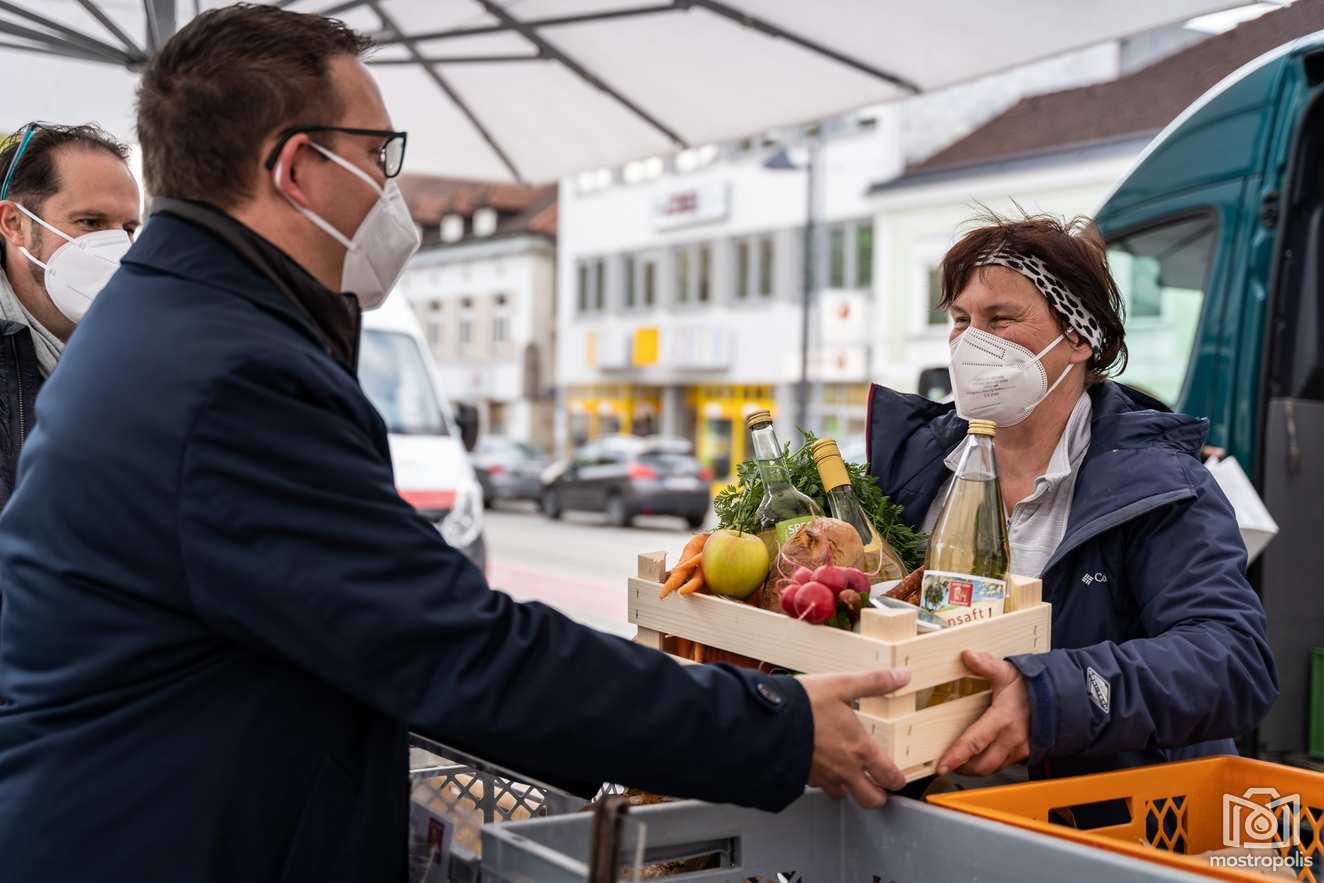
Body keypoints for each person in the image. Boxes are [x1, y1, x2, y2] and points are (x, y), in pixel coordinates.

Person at [0, 8, 909, 881]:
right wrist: (775, 727)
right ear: (294, 168)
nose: (390, 188)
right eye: (376, 154)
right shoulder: (227, 374)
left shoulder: (172, 322)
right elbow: (452, 650)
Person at [866, 214, 1278, 784]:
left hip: (1088, 822)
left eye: (1001, 319)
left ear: (1080, 337)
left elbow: (1231, 663)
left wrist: (1052, 699)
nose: (971, 343)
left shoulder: (1161, 487)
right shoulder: (912, 468)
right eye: (961, 320)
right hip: (916, 804)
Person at [0, 123, 140, 506]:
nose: (117, 248)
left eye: (128, 229)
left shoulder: (142, 355)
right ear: (15, 224)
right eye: (91, 223)